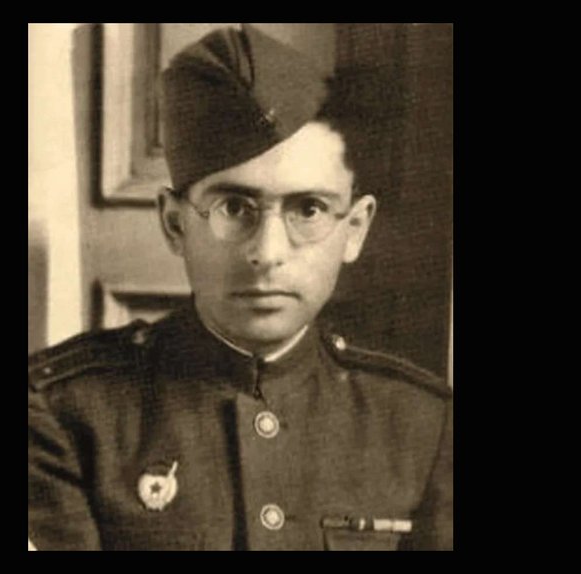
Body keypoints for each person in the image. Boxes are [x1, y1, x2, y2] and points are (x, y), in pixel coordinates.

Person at [28, 24, 452, 551]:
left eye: (309, 209)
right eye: (234, 208)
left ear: (355, 229)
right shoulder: (64, 413)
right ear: (175, 224)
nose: (268, 252)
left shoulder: (422, 424)